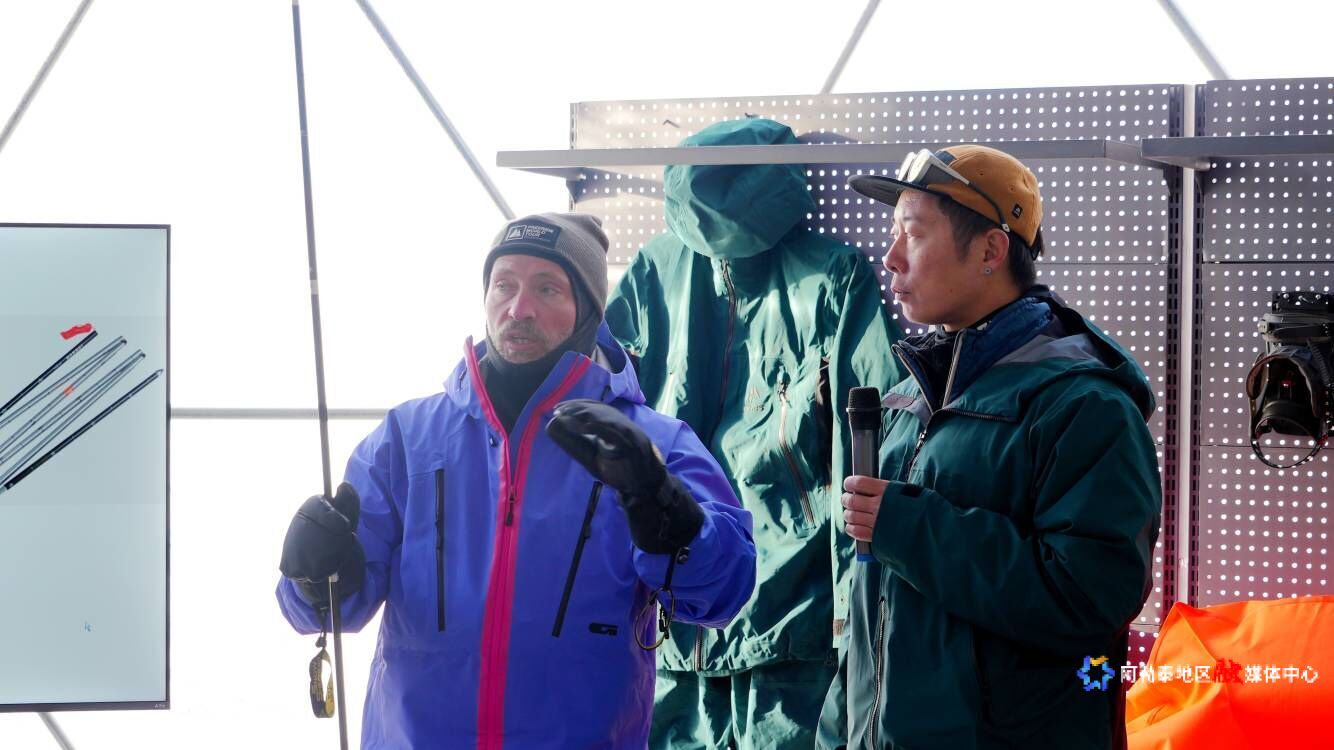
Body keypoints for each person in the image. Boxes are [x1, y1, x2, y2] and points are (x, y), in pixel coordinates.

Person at [276, 212, 757, 750]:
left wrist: (671, 515)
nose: (518, 308)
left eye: (547, 288)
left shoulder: (653, 443)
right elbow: (327, 609)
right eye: (504, 284)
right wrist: (312, 573)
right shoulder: (406, 439)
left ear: (587, 309)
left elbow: (725, 592)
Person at [817, 145, 1162, 749]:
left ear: (990, 251)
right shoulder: (914, 394)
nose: (890, 257)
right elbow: (879, 608)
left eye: (913, 234)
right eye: (893, 233)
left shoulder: (1085, 406)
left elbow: (1090, 598)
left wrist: (911, 527)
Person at [605, 117, 905, 749]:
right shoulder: (656, 273)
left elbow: (867, 442)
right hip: (753, 607)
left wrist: (854, 607)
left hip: (732, 609)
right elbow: (869, 447)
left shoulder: (832, 277)